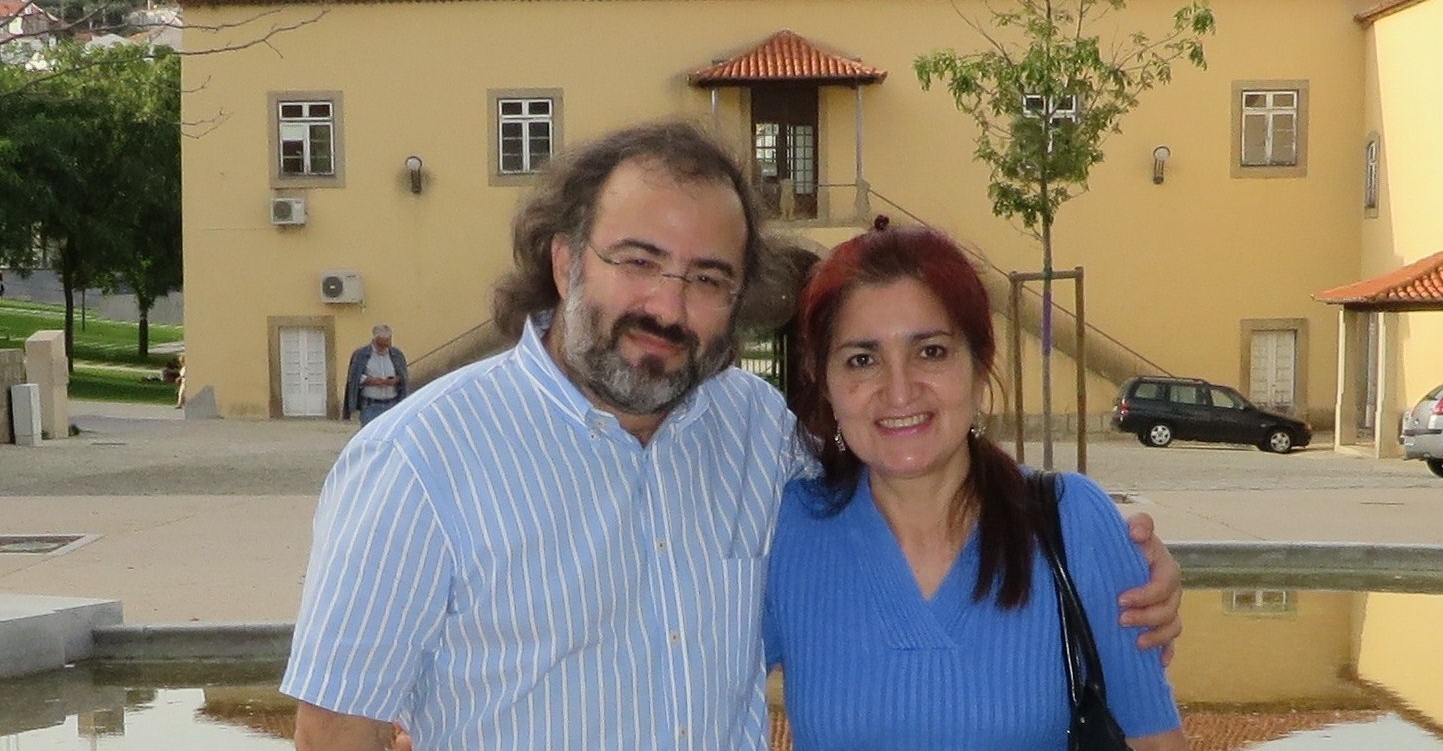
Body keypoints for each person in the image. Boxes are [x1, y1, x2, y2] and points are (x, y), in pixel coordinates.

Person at [284, 121, 1182, 751]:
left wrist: (1098, 534)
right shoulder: (416, 461)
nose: (668, 306)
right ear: (564, 262)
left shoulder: (751, 430)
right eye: (637, 261)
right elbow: (336, 731)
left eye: (707, 278)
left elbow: (910, 461)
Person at [763, 219, 1186, 750]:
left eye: (931, 351)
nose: (899, 391)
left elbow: (1154, 739)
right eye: (862, 360)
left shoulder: (1071, 522)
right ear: (824, 383)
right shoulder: (786, 532)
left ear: (979, 364)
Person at [342, 325, 409, 425]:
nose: (384, 348)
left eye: (387, 344)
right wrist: (369, 380)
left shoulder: (397, 355)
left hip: (392, 404)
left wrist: (395, 380)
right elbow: (353, 377)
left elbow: (404, 376)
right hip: (370, 406)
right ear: (374, 340)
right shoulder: (361, 355)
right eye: (380, 344)